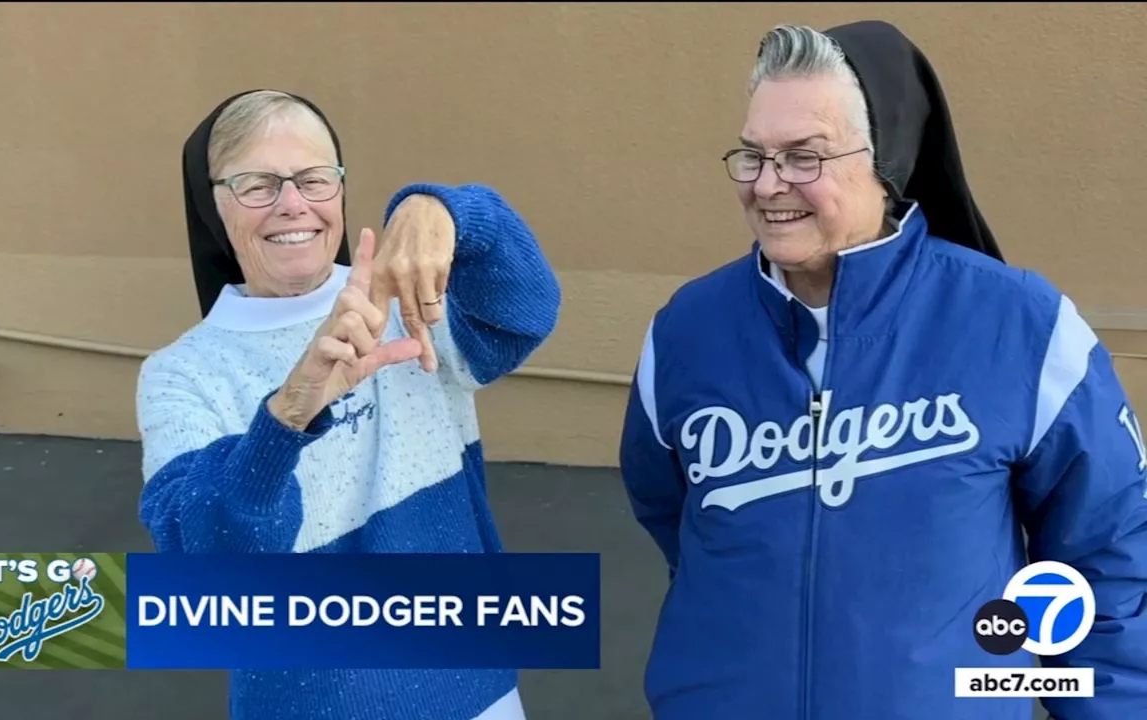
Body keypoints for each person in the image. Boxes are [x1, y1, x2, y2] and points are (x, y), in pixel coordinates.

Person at [619, 21, 1147, 720]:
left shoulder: (1022, 326)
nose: (769, 185)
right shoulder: (686, 331)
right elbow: (674, 518)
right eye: (754, 155)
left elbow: (1105, 562)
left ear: (887, 160)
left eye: (804, 157)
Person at [136, 88, 561, 720]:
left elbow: (524, 313)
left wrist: (453, 211)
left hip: (478, 694)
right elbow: (206, 555)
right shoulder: (182, 373)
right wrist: (287, 415)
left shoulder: (408, 299)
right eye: (257, 185)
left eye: (313, 179)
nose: (292, 205)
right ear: (212, 205)